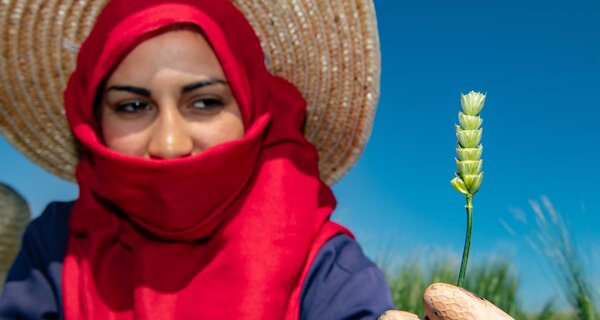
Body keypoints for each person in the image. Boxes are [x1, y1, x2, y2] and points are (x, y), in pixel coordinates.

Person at [0, 0, 513, 319]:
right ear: (92, 122)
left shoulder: (326, 269)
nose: (171, 143)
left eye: (205, 101)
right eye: (132, 105)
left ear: (253, 113)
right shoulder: (54, 249)